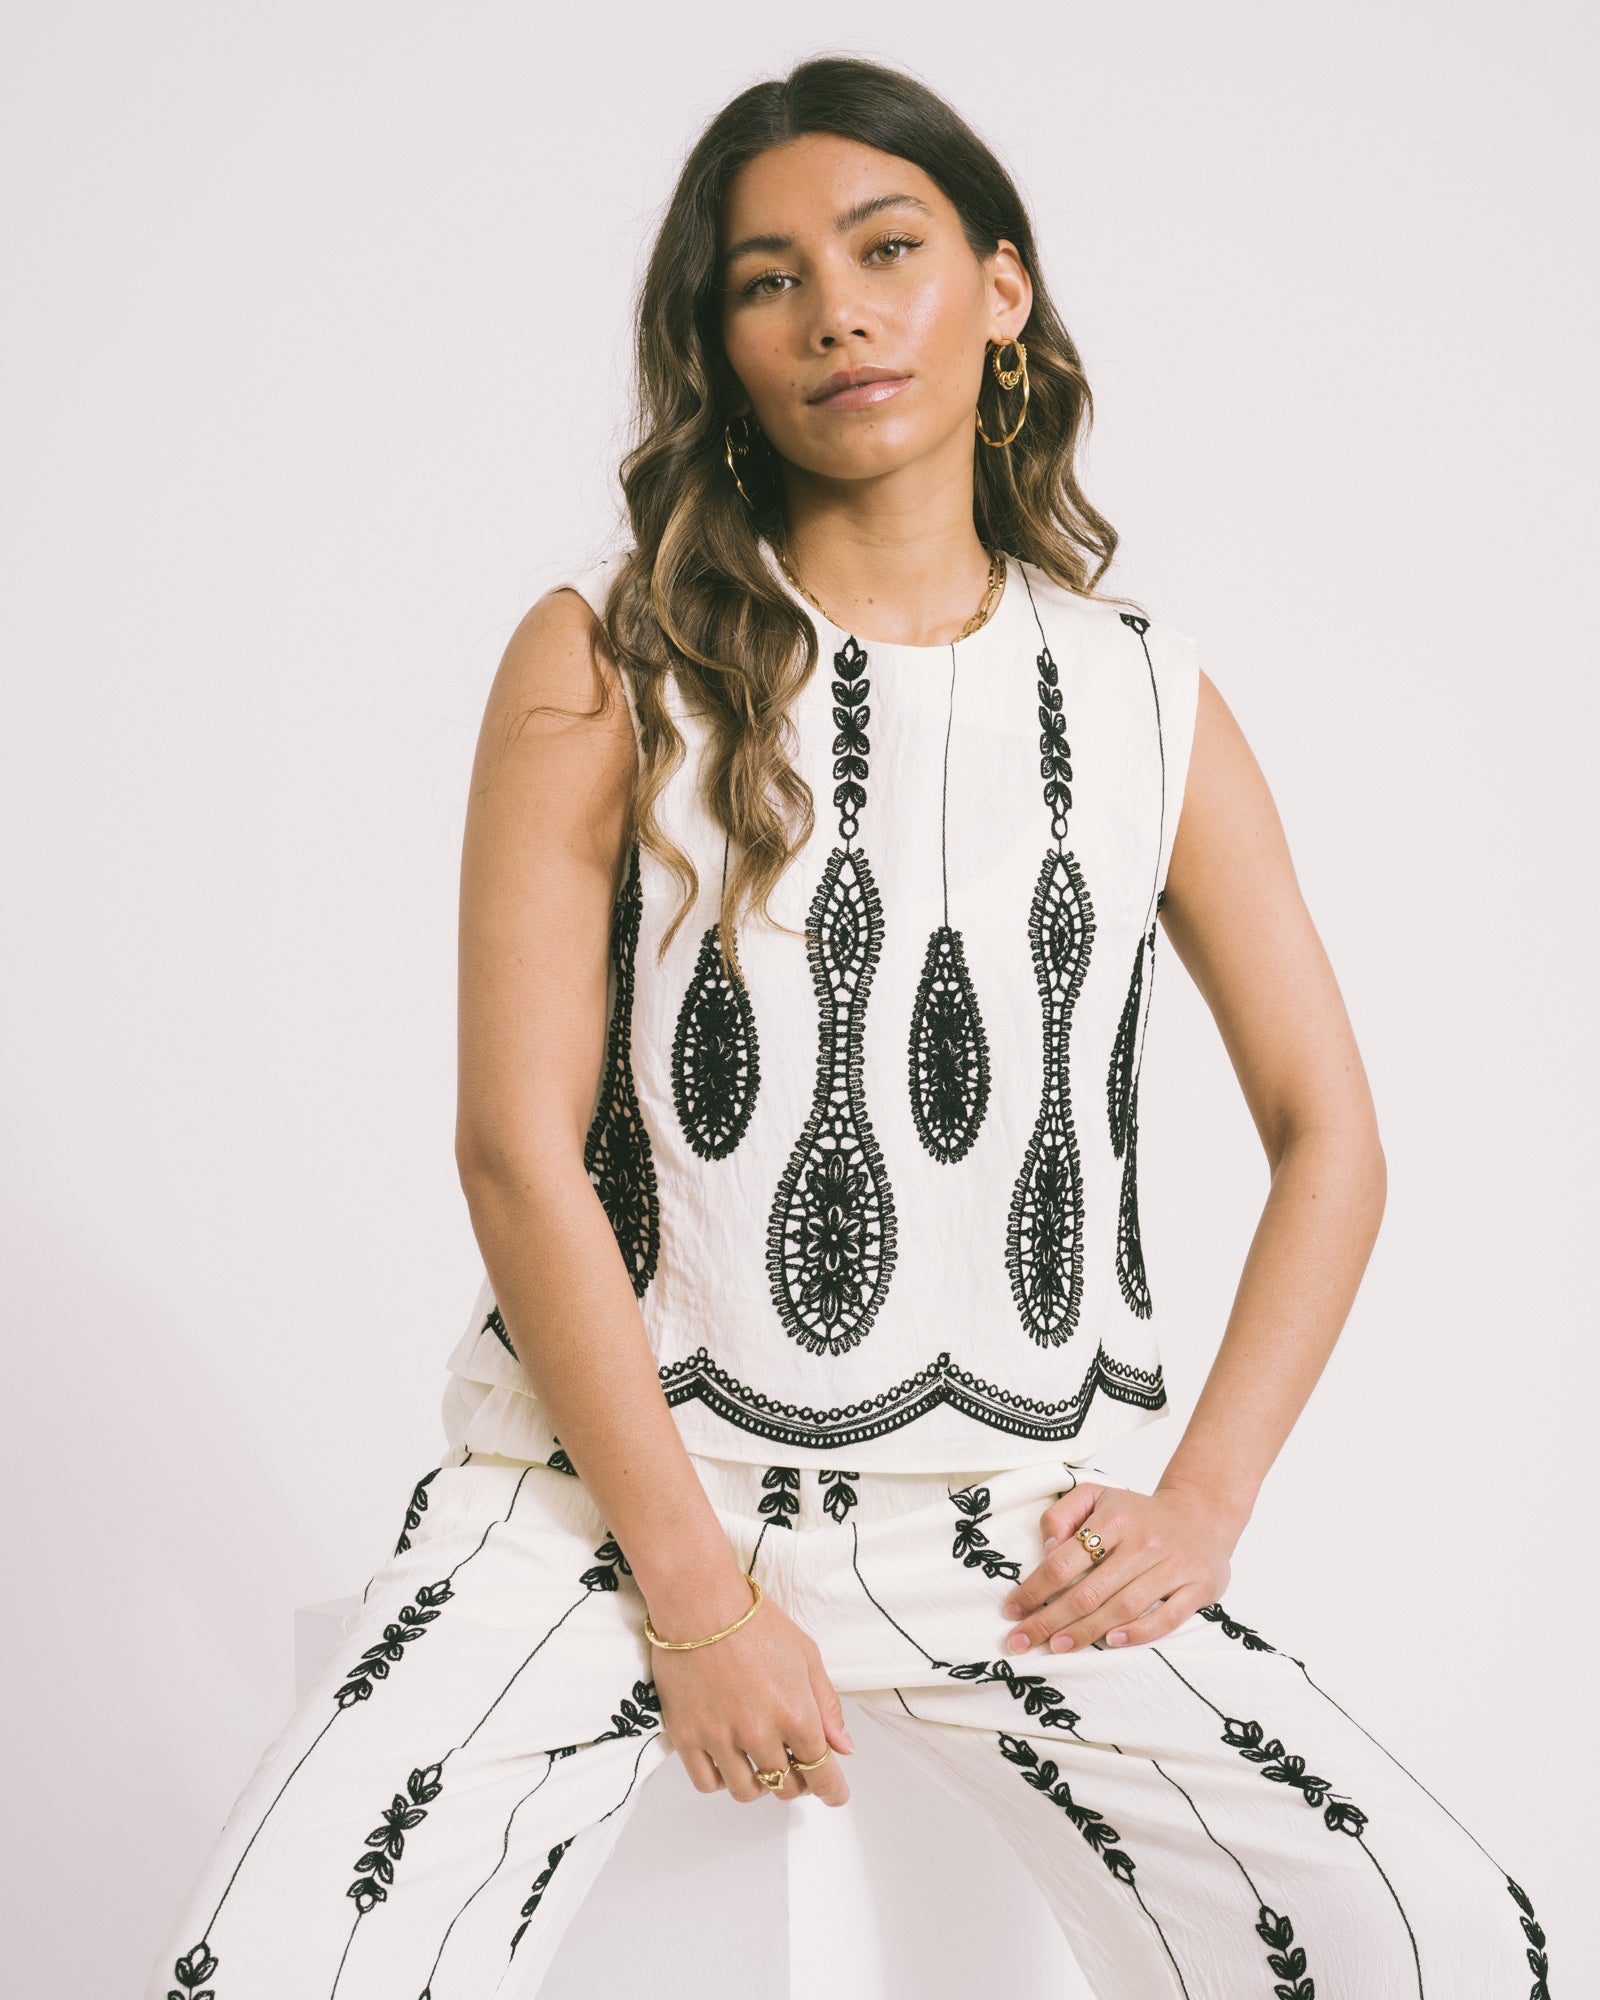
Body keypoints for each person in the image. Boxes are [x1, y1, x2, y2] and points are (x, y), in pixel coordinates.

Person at [145, 54, 1553, 2000]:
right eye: (767, 279)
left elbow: (1333, 1135)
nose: (835, 311)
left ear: (1000, 288)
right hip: (591, 1516)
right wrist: (699, 1605)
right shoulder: (607, 658)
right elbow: (513, 1150)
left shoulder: (1143, 695)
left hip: (1014, 1540)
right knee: (273, 1965)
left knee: (1444, 1943)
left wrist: (1204, 1498)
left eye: (888, 249)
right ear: (719, 347)